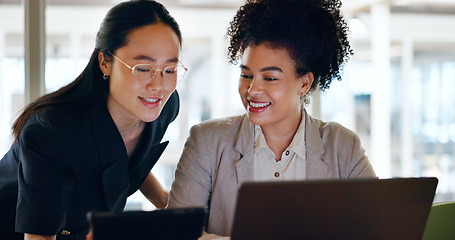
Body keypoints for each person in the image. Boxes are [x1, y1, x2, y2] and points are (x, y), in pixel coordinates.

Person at [167, 0, 376, 238]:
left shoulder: (342, 146)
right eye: (246, 75)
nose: (252, 89)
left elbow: (376, 228)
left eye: (270, 78)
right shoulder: (207, 142)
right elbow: (177, 233)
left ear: (304, 83)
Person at [0, 0, 187, 239]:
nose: (158, 85)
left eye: (169, 70)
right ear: (105, 62)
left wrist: (166, 201)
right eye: (142, 68)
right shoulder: (50, 132)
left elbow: (126, 160)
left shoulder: (164, 107)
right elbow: (39, 234)